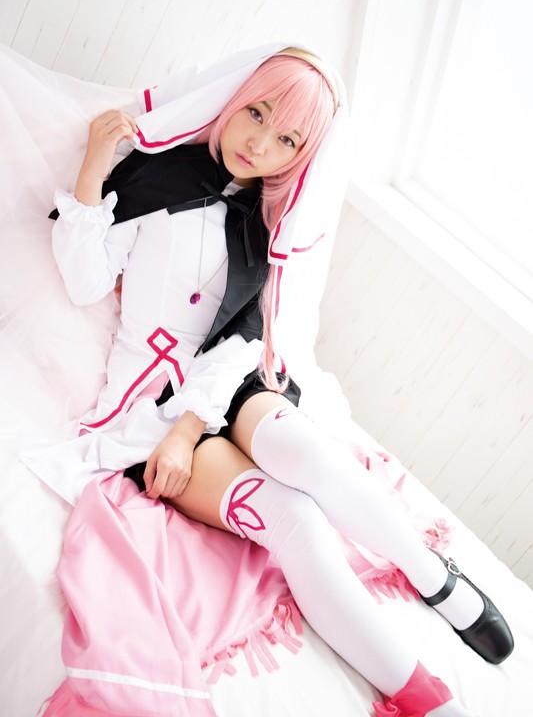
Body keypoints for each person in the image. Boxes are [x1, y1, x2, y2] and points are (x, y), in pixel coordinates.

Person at [39, 46, 512, 716]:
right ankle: (423, 696)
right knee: (295, 520)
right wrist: (95, 165)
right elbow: (86, 281)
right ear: (232, 99)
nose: (259, 144)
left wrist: (191, 427)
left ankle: (435, 577)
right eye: (256, 114)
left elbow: (245, 339)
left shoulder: (275, 223)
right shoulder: (158, 177)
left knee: (311, 455)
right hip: (147, 405)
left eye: (287, 138)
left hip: (227, 386)